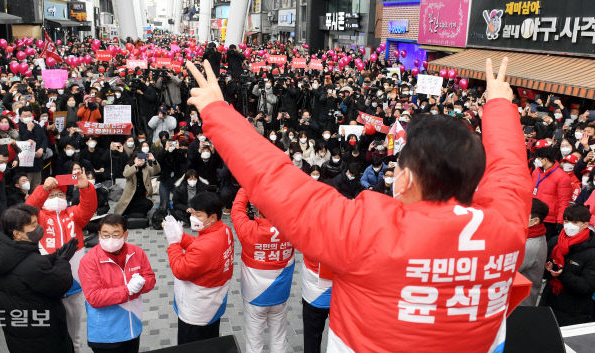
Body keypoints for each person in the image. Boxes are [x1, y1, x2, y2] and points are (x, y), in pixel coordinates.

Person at [184, 58, 531, 351]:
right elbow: (511, 169)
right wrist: (499, 104)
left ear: (406, 179)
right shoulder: (507, 223)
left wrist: (217, 111)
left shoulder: (368, 230)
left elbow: (275, 180)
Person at [0, 204, 77, 353]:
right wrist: (62, 261)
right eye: (33, 225)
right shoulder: (32, 264)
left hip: (18, 332)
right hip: (45, 336)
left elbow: (24, 269)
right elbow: (61, 283)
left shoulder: (0, 253)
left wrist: (53, 257)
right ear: (17, 234)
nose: (38, 227)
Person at [25, 172, 97, 353]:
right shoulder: (38, 217)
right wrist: (43, 189)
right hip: (49, 279)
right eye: (52, 195)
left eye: (60, 195)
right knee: (52, 323)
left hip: (75, 281)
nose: (56, 198)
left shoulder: (74, 214)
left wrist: (85, 188)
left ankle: (76, 348)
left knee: (75, 323)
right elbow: (26, 210)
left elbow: (89, 207)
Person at [163, 192, 233, 344]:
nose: (193, 218)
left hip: (197, 312)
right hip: (214, 303)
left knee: (192, 346)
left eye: (199, 215)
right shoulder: (224, 230)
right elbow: (199, 246)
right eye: (192, 213)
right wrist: (181, 237)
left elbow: (180, 270)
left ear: (213, 217)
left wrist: (174, 243)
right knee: (210, 343)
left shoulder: (206, 246)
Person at [79, 215, 156, 353]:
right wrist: (127, 290)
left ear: (125, 235)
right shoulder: (89, 261)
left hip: (132, 327)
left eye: (115, 235)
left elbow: (150, 278)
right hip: (106, 334)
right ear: (99, 235)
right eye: (105, 235)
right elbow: (94, 297)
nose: (110, 239)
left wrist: (141, 285)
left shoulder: (136, 253)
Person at [231, 188, 294, 353]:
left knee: (254, 341)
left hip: (254, 296)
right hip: (281, 295)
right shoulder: (293, 228)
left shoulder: (248, 229)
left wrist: (246, 185)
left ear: (258, 210)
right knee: (279, 337)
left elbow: (237, 209)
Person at [539, 205, 595, 326]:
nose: (569, 225)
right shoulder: (555, 241)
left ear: (585, 224)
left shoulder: (593, 254)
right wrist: (548, 268)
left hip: (574, 311)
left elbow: (587, 287)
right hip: (549, 302)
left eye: (575, 222)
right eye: (566, 221)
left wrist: (563, 274)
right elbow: (543, 273)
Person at [532, 146, 572, 239]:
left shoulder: (562, 177)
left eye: (538, 158)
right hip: (534, 215)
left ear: (545, 160)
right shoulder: (536, 172)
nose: (536, 161)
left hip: (550, 219)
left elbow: (564, 201)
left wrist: (560, 220)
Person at [519, 198, 549, 306]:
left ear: (535, 220)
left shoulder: (531, 245)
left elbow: (507, 270)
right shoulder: (534, 234)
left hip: (519, 303)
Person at [114, 152, 161, 218]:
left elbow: (156, 171)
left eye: (142, 159)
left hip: (142, 196)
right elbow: (126, 174)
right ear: (134, 159)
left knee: (148, 203)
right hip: (131, 196)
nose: (141, 160)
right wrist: (136, 165)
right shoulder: (129, 166)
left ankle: (134, 214)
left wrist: (153, 160)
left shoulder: (146, 168)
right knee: (126, 208)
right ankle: (136, 214)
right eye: (139, 159)